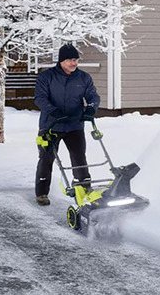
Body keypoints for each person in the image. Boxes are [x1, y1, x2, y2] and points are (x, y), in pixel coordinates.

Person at [33, 43, 100, 206]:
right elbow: (40, 98)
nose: (73, 63)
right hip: (51, 126)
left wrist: (91, 109)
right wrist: (53, 112)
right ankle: (42, 193)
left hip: (74, 125)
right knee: (46, 159)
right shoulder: (46, 77)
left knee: (79, 158)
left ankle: (84, 188)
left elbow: (93, 96)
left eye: (76, 60)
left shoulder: (83, 78)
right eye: (70, 60)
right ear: (61, 61)